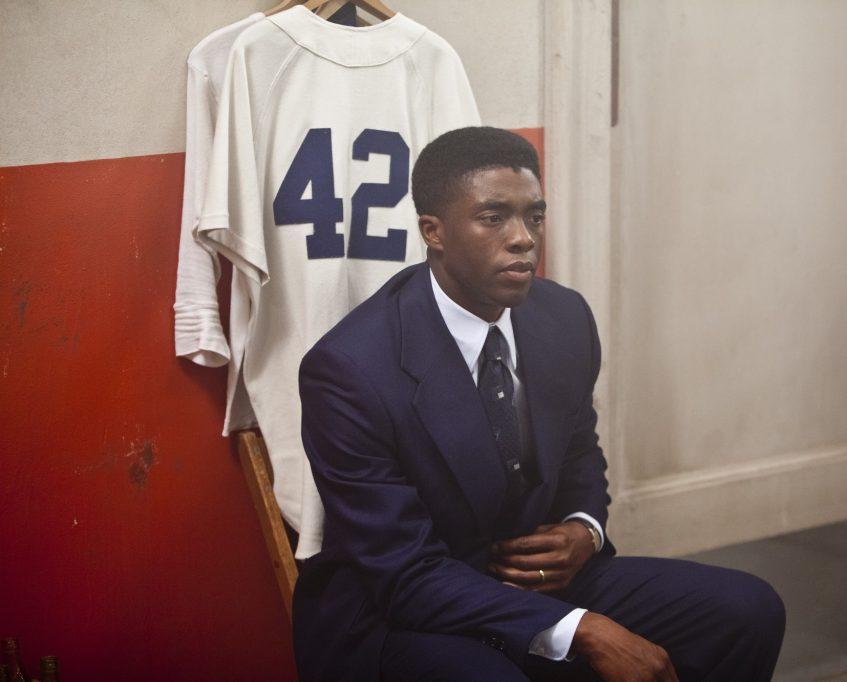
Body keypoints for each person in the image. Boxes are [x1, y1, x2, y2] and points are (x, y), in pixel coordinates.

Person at [292, 126, 785, 681]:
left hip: (538, 581)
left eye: (535, 216)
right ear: (434, 230)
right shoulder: (351, 367)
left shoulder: (563, 317)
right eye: (494, 217)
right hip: (403, 610)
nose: (523, 238)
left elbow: (579, 453)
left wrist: (583, 529)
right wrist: (584, 628)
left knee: (748, 609)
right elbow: (403, 572)